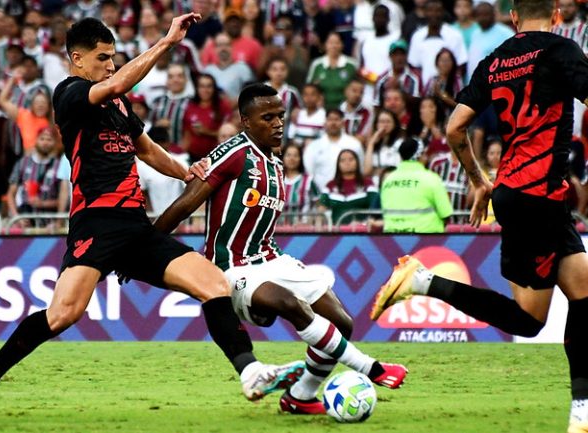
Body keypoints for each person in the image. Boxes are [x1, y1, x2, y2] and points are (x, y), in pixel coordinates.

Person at [0, 15, 304, 425]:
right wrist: (167, 42)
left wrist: (186, 171)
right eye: (102, 58)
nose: (110, 65)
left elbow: (148, 149)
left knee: (213, 283)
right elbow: (116, 85)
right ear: (76, 59)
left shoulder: (118, 103)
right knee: (63, 314)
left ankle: (250, 371)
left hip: (135, 226)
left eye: (113, 57)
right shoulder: (70, 93)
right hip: (95, 224)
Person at [370, 4, 588, 431]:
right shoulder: (562, 50)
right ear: (558, 14)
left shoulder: (495, 60)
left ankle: (582, 408)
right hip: (539, 195)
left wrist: (478, 180)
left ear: (512, 16)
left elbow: (454, 127)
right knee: (528, 319)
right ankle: (422, 281)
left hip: (517, 191)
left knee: (583, 294)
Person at [153, 84, 408, 416]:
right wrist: (146, 246)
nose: (278, 124)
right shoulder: (233, 153)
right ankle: (371, 368)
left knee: (341, 321)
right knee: (290, 304)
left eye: (281, 116)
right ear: (246, 121)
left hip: (272, 259)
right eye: (267, 117)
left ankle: (300, 396)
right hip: (232, 266)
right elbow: (185, 204)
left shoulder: (275, 164)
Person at [379, 136, 452, 233]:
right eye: (425, 154)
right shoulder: (431, 179)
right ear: (420, 156)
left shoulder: (388, 180)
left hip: (393, 239)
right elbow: (446, 214)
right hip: (427, 239)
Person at [319, 149, 378, 224]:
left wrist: (363, 223)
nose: (347, 163)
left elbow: (375, 208)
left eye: (351, 159)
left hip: (361, 231)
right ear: (338, 164)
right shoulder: (330, 185)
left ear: (357, 162)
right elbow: (321, 209)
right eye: (342, 160)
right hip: (336, 232)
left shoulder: (367, 183)